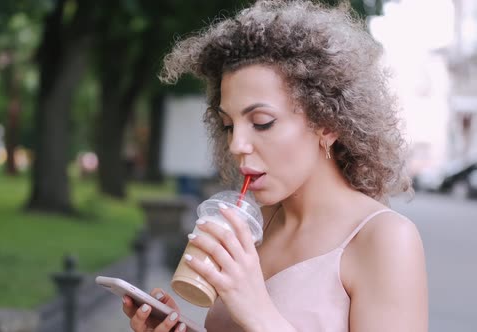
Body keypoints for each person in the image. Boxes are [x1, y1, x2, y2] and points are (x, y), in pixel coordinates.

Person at [122, 1, 428, 331]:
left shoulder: (385, 240)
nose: (236, 144)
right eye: (228, 125)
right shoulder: (254, 226)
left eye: (262, 122)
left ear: (327, 123)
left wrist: (258, 312)